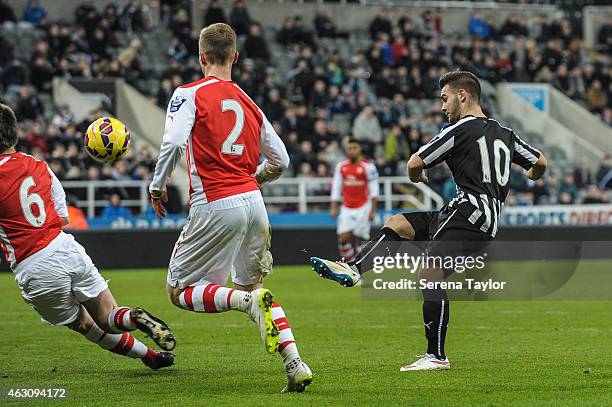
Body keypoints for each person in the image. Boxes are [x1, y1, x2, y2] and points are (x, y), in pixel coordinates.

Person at [310, 71, 547, 371]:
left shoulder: (458, 130)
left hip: (468, 214)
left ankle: (436, 356)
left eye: (445, 99)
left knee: (429, 272)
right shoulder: (506, 134)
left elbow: (414, 163)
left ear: (462, 95)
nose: (443, 107)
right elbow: (540, 163)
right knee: (398, 223)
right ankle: (355, 269)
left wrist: (417, 176)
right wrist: (529, 176)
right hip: (473, 215)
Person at [148, 23, 312, 392]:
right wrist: (256, 179)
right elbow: (281, 160)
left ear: (201, 57)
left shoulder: (189, 93)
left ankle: (244, 303)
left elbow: (173, 142)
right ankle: (295, 363)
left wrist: (157, 187)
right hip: (254, 203)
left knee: (180, 291)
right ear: (235, 57)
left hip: (215, 202)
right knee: (256, 286)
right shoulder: (249, 102)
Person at [0, 104, 175, 370]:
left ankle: (146, 355)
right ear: (14, 134)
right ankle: (141, 334)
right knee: (109, 316)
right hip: (65, 248)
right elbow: (62, 218)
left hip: (34, 265)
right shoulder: (40, 166)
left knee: (84, 324)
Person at [330, 139, 379, 263]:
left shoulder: (368, 166)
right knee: (343, 239)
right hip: (347, 207)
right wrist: (334, 206)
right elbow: (336, 186)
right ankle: (352, 265)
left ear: (359, 149)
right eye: (349, 148)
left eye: (354, 148)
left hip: (363, 207)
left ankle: (359, 269)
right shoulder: (341, 166)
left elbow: (374, 189)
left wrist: (373, 210)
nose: (351, 151)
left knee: (360, 239)